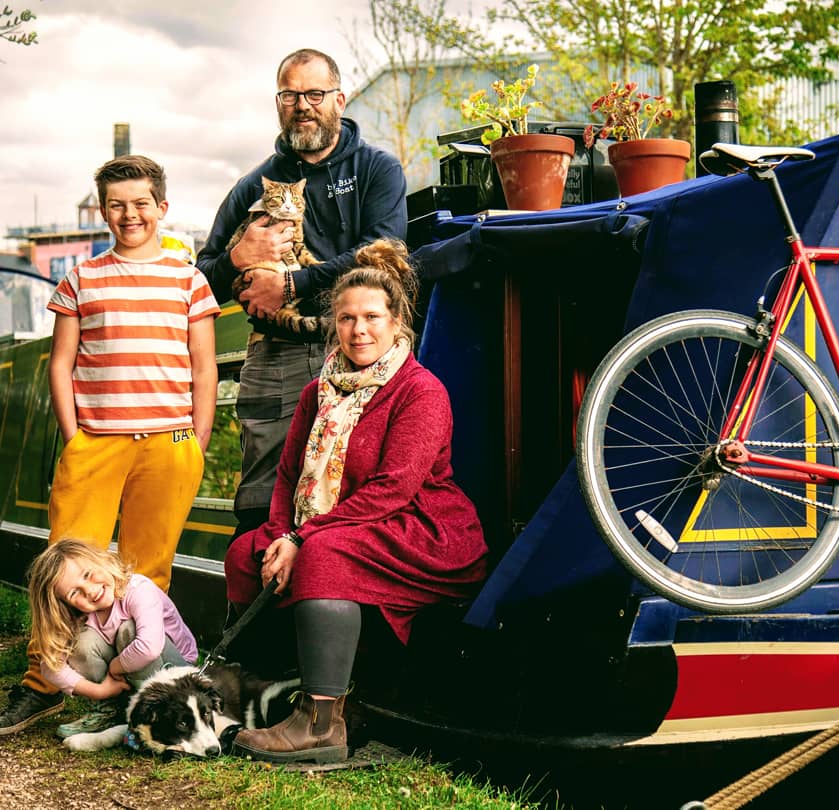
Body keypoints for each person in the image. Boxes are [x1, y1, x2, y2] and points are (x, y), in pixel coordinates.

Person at [224, 239, 487, 764]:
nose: (358, 330)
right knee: (245, 553)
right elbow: (288, 475)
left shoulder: (420, 390)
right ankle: (261, 691)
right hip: (342, 526)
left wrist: (302, 538)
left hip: (423, 529)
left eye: (371, 317)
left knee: (324, 559)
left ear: (397, 323)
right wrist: (280, 533)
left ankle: (321, 724)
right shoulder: (318, 389)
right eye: (346, 318)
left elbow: (395, 487)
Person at [0, 154, 219, 736]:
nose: (130, 215)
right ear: (104, 211)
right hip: (96, 444)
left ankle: (137, 693)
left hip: (168, 445)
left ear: (162, 207)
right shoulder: (82, 278)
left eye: (141, 203)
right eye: (117, 204)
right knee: (62, 568)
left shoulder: (188, 278)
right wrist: (76, 439)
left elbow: (203, 367)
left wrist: (194, 441)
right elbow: (62, 363)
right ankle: (42, 685)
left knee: (148, 573)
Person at [197, 47, 408, 540]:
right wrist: (238, 258)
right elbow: (202, 276)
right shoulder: (254, 184)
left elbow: (387, 251)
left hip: (360, 347)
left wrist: (292, 283)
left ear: (339, 98)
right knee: (260, 502)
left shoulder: (378, 169)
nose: (303, 105)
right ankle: (250, 614)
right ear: (278, 103)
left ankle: (336, 605)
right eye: (290, 95)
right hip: (276, 355)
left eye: (314, 94)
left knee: (357, 492)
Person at [26, 540, 199, 737]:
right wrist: (99, 691)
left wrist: (115, 667)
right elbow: (50, 667)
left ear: (102, 560)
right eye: (74, 592)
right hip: (128, 676)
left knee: (128, 629)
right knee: (80, 642)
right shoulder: (78, 615)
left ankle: (160, 714)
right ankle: (111, 710)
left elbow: (149, 647)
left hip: (175, 671)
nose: (90, 591)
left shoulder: (137, 589)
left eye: (88, 574)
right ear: (64, 604)